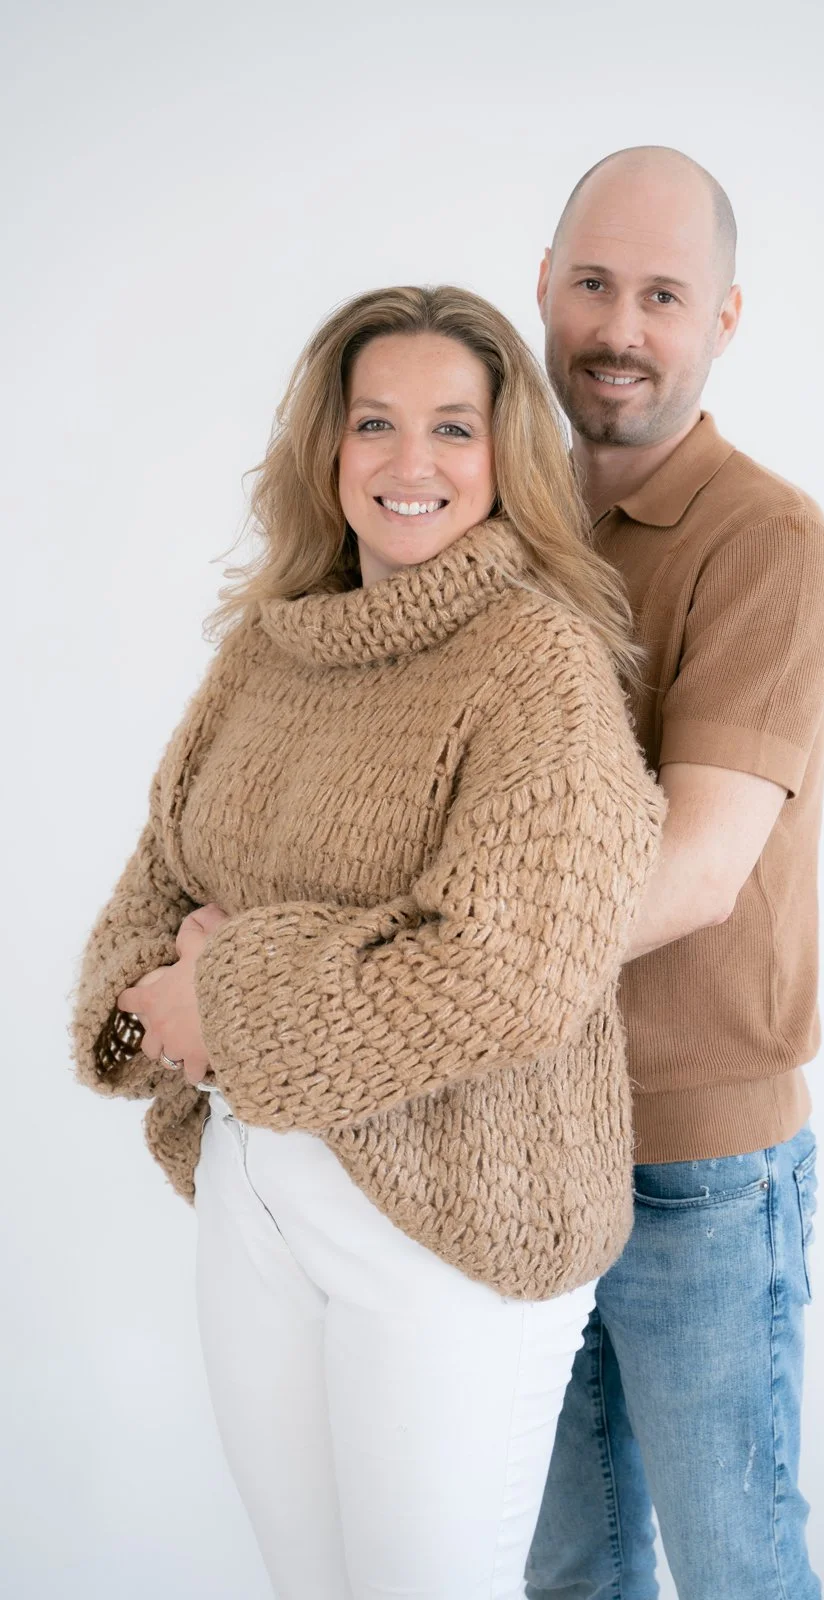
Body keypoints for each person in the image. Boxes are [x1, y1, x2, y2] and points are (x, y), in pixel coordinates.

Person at [70, 284, 664, 1600]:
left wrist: (224, 991)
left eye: (453, 428)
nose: (411, 463)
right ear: (324, 452)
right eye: (375, 423)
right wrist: (164, 998)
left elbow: (511, 975)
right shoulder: (267, 649)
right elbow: (154, 887)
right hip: (255, 1181)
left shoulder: (536, 667)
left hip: (452, 1215)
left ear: (503, 456)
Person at [526, 147, 824, 1600]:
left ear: (722, 317)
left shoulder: (762, 541)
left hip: (698, 1166)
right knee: (566, 1570)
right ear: (544, 287)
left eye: (662, 294)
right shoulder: (504, 526)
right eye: (594, 283)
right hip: (525, 1139)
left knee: (736, 1571)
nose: (619, 327)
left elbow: (698, 867)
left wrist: (407, 986)